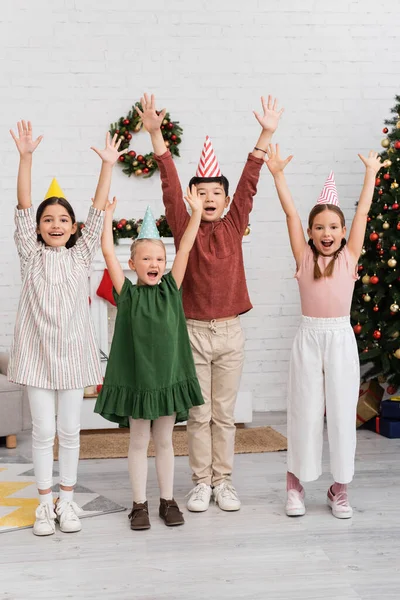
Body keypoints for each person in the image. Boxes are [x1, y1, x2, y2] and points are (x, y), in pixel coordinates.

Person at [137, 92, 283, 512]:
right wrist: (156, 134)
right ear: (193, 197)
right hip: (193, 332)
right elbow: (168, 181)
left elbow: (250, 182)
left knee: (224, 414)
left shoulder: (236, 222)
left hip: (230, 332)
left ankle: (224, 482)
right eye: (201, 192)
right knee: (198, 415)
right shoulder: (186, 226)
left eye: (216, 191)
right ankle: (200, 482)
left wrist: (266, 132)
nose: (210, 197)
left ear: (224, 196)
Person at [8, 121, 125, 535]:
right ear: (38, 228)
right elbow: (23, 205)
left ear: (74, 228)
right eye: (48, 219)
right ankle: (44, 504)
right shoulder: (30, 253)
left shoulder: (80, 256)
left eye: (63, 219)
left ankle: (68, 502)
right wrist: (26, 158)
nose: (55, 224)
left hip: (74, 355)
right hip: (38, 355)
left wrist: (107, 166)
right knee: (42, 431)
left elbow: (96, 212)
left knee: (70, 431)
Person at [265, 143, 382, 518]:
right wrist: (278, 174)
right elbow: (290, 213)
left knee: (343, 409)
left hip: (339, 338)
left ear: (343, 232)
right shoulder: (304, 256)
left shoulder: (349, 258)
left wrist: (371, 175)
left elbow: (364, 211)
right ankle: (295, 485)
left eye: (333, 227)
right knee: (304, 409)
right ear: (312, 233)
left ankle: (339, 488)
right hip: (309, 338)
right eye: (319, 227)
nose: (326, 232)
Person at [94, 194, 204, 531]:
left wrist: (196, 214)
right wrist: (105, 221)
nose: (154, 263)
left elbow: (185, 249)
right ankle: (138, 504)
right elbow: (108, 253)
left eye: (159, 257)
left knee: (166, 441)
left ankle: (167, 500)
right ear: (134, 262)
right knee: (139, 441)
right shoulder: (126, 293)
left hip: (167, 379)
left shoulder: (171, 287)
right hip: (139, 381)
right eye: (147, 258)